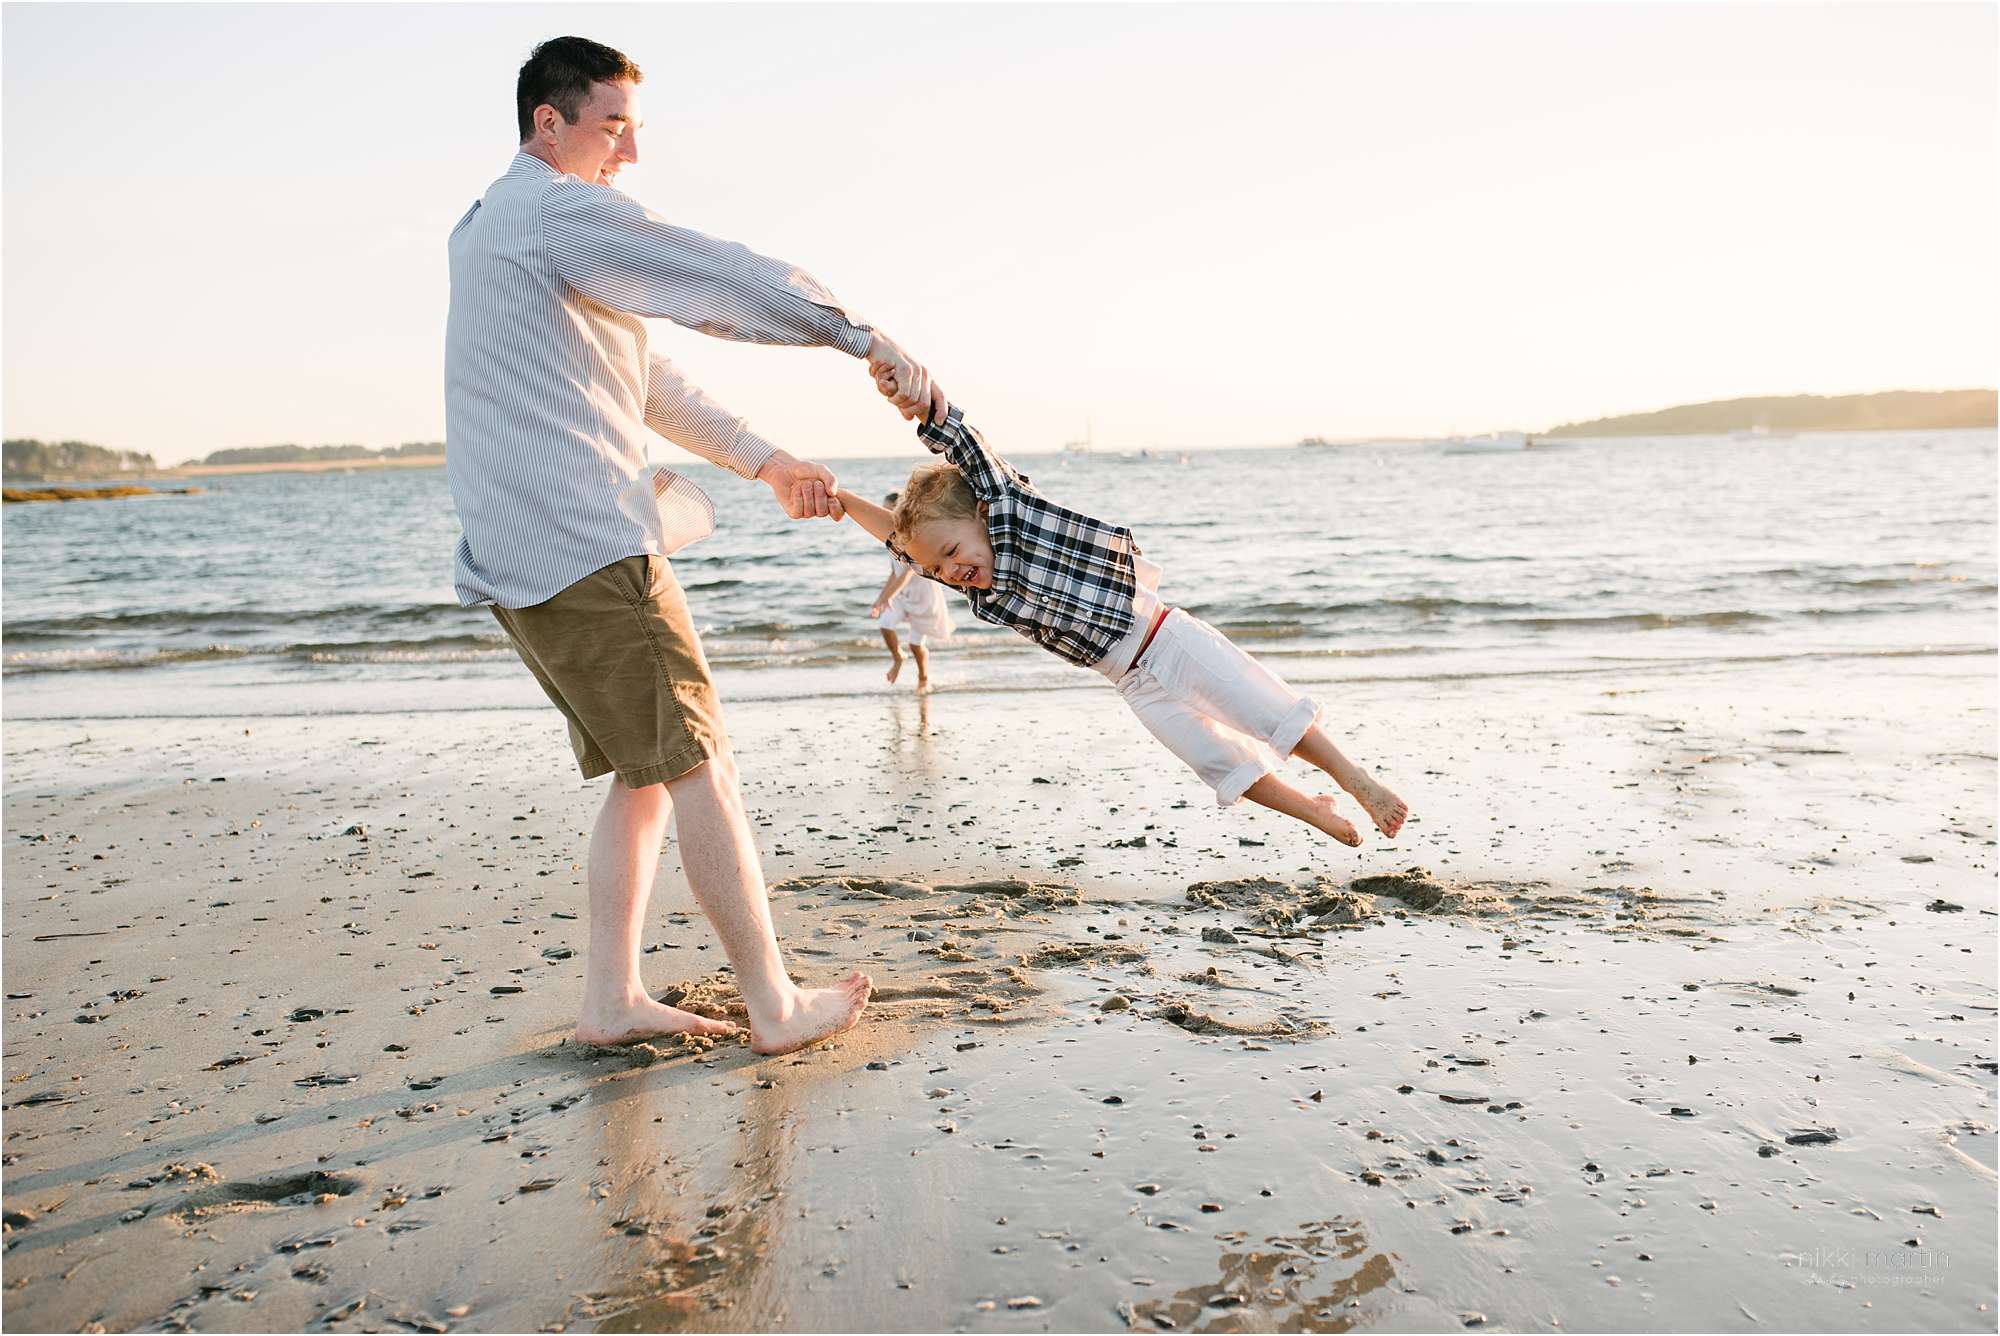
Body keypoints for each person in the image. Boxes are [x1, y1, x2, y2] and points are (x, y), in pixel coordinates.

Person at [444, 36, 946, 1053]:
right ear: (549, 122)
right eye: (611, 125)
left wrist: (764, 461)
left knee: (643, 771)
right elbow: (707, 273)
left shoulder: (486, 225)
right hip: (588, 547)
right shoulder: (553, 209)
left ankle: (611, 999)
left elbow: (646, 381)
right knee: (699, 762)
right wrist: (858, 336)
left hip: (525, 555)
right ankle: (772, 1001)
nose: (627, 152)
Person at [835, 399, 1410, 845]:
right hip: (1129, 680)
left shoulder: (1015, 515)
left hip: (1164, 637)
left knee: (1265, 709)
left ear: (983, 513)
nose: (952, 571)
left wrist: (910, 392)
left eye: (954, 552)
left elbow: (962, 438)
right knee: (1216, 762)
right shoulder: (979, 585)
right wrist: (839, 497)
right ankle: (1311, 809)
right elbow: (901, 541)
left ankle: (1351, 779)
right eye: (939, 568)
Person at [867, 490, 955, 689]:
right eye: (882, 509)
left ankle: (923, 678)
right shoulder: (888, 539)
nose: (882, 514)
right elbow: (894, 573)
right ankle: (898, 657)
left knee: (916, 644)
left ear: (899, 512)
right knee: (885, 623)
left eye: (887, 510)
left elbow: (908, 572)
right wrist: (881, 598)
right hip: (900, 594)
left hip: (922, 595)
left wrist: (889, 596)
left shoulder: (911, 537)